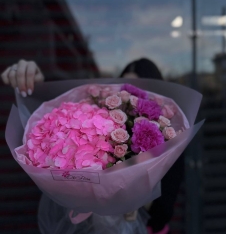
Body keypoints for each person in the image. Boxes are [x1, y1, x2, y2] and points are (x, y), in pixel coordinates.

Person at [1, 58, 184, 234]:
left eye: (139, 93)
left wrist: (132, 198)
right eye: (128, 92)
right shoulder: (106, 128)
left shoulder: (171, 143)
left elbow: (164, 212)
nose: (133, 98)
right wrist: (34, 81)